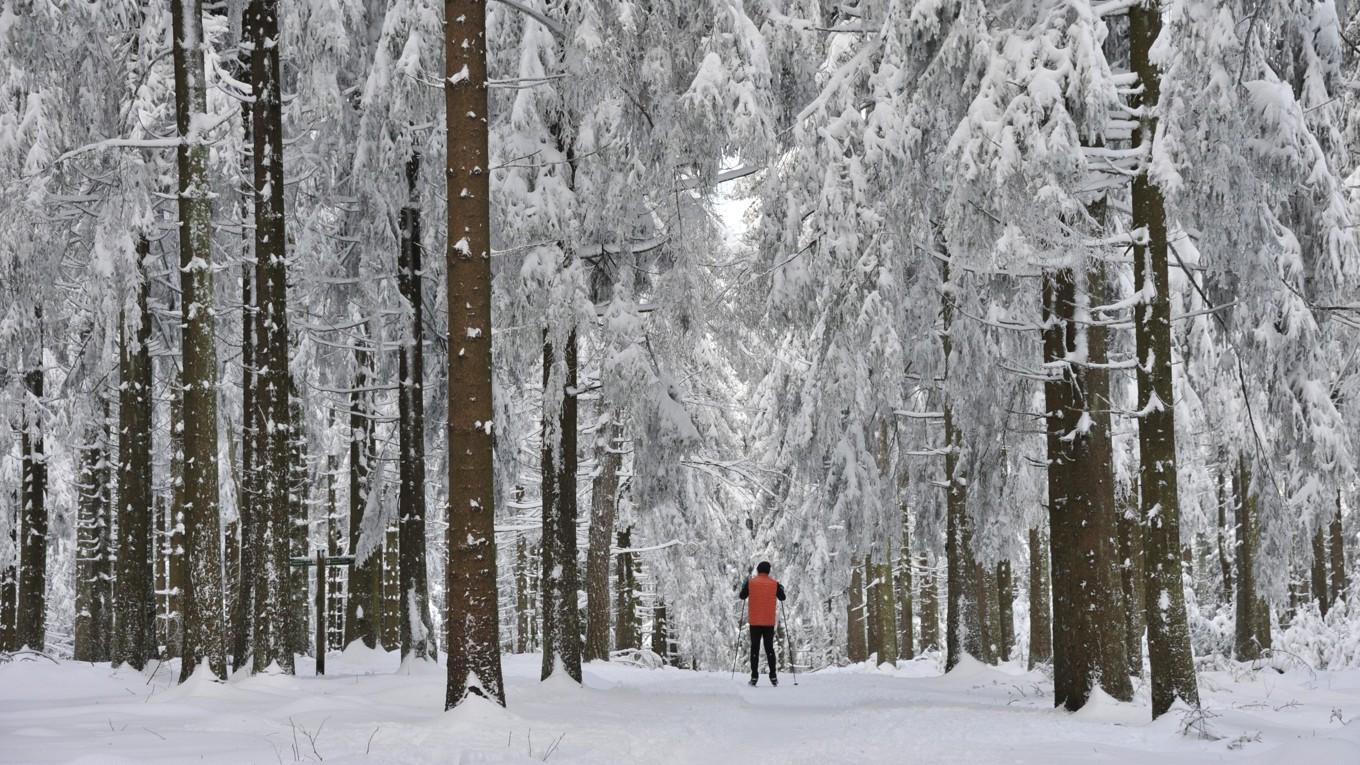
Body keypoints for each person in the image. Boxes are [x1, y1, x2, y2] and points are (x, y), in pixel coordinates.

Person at [739, 561, 786, 686]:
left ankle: (754, 676)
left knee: (755, 648)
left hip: (755, 622)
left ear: (758, 570)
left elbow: (742, 596)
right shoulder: (774, 584)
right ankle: (773, 676)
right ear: (769, 571)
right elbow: (782, 598)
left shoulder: (751, 583)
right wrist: (780, 588)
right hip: (768, 622)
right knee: (769, 648)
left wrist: (744, 586)